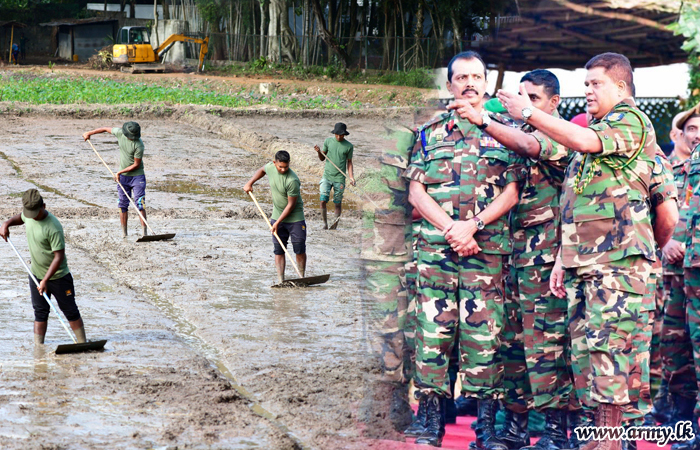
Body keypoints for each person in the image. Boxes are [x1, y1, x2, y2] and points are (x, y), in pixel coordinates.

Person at [498, 52, 674, 450]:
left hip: (618, 271)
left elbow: (668, 215)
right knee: (589, 364)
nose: (587, 91)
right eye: (586, 84)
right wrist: (563, 258)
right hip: (586, 268)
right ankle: (602, 442)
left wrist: (641, 252)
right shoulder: (595, 135)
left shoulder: (628, 120)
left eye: (595, 84)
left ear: (621, 87)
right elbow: (576, 205)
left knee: (610, 363)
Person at [406, 50, 525, 448]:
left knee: (485, 336)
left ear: (486, 83)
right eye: (462, 77)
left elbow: (512, 192)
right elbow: (416, 191)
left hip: (486, 252)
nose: (469, 83)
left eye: (476, 76)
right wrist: (451, 229)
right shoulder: (429, 132)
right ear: (449, 84)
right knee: (433, 335)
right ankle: (430, 423)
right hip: (436, 254)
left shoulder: (504, 131)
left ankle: (487, 428)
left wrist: (472, 226)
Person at [451, 69, 573, 450]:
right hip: (509, 257)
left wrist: (487, 120)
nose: (522, 105)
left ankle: (555, 432)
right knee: (512, 347)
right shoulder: (512, 135)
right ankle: (516, 429)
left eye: (532, 99)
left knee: (546, 348)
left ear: (553, 103)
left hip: (544, 261)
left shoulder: (560, 135)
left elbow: (530, 146)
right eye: (518, 97)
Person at [0, 189, 87, 345]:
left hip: (58, 277)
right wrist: (7, 224)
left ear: (43, 206)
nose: (32, 217)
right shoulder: (29, 216)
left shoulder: (53, 226)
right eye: (29, 213)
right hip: (36, 275)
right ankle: (38, 349)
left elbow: (59, 257)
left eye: (35, 213)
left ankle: (82, 344)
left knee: (70, 311)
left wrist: (46, 280)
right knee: (40, 313)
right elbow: (20, 218)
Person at [658, 108, 698, 431]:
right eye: (692, 128)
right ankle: (680, 416)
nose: (697, 134)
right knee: (674, 344)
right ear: (680, 134)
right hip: (673, 274)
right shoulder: (669, 169)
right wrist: (666, 243)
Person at [244, 151, 306, 283]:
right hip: (277, 215)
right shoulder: (270, 168)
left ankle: (302, 277)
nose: (283, 169)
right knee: (279, 250)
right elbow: (261, 170)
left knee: (299, 247)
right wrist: (250, 183)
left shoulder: (292, 180)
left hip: (295, 217)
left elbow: (290, 206)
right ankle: (280, 280)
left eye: (286, 167)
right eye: (280, 167)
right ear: (274, 163)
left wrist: (277, 222)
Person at [83, 122, 147, 238]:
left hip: (137, 177)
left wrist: (119, 172)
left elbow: (136, 165)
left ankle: (145, 234)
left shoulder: (139, 145)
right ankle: (124, 234)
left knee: (140, 203)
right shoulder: (119, 133)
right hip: (123, 178)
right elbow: (105, 128)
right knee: (122, 204)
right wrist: (89, 133)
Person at [314, 122, 355, 230]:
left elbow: (349, 162)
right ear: (334, 133)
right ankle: (325, 224)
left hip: (339, 178)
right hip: (327, 176)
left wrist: (351, 177)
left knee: (337, 202)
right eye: (337, 134)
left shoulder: (349, 146)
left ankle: (334, 225)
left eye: (341, 135)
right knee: (323, 200)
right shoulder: (328, 141)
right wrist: (319, 152)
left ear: (344, 134)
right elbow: (322, 158)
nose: (338, 136)